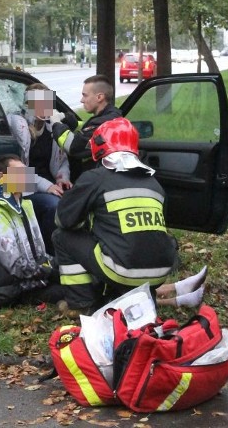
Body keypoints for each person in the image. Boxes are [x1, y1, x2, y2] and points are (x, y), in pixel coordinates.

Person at [52, 117, 178, 313]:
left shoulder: (96, 178)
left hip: (123, 271)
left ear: (99, 146)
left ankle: (80, 304)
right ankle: (132, 297)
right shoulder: (155, 183)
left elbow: (63, 219)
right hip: (161, 273)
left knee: (62, 237)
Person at [0, 154, 63, 303]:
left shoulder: (25, 205)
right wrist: (52, 272)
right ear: (2, 177)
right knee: (75, 288)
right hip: (21, 288)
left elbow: (40, 254)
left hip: (38, 278)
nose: (28, 177)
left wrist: (59, 264)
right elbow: (16, 267)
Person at [7, 83, 72, 251]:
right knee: (54, 206)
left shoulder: (52, 129)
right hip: (23, 188)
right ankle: (49, 254)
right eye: (38, 104)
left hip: (49, 186)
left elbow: (62, 161)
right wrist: (47, 186)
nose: (44, 108)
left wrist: (62, 178)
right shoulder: (18, 129)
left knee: (78, 200)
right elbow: (14, 175)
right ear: (28, 105)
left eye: (47, 103)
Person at [51, 74, 122, 180]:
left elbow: (73, 147)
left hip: (96, 178)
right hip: (99, 176)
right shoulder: (112, 116)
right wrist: (68, 119)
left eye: (85, 95)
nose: (81, 100)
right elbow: (86, 129)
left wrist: (56, 124)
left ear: (99, 97)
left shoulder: (103, 123)